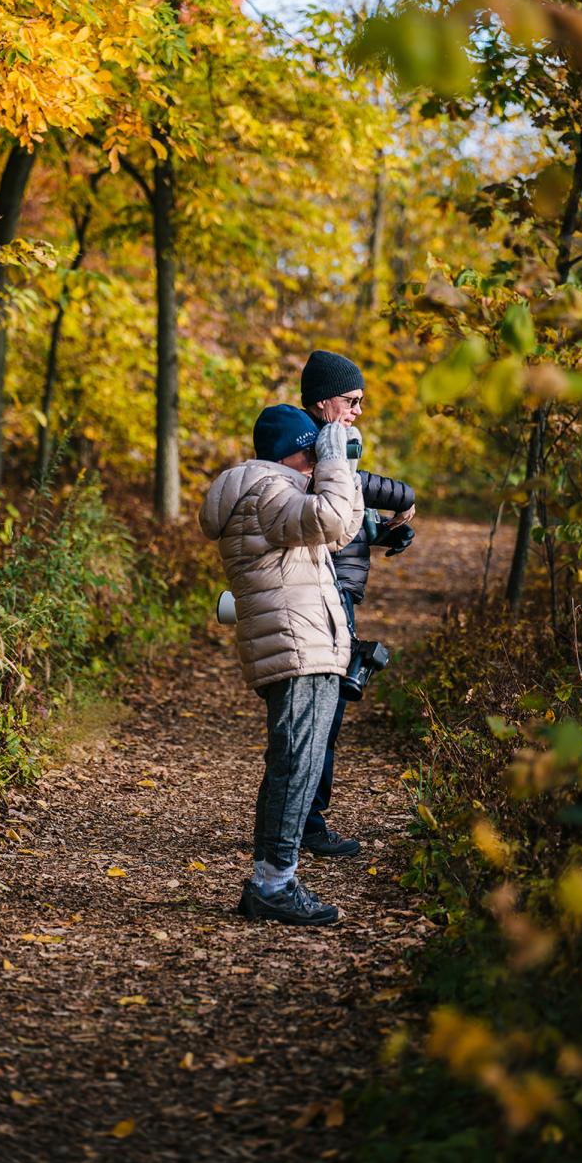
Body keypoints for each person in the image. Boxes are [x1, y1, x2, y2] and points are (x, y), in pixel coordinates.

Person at [199, 404, 364, 926]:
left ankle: (270, 879)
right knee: (296, 763)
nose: (320, 460)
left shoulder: (275, 491)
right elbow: (330, 517)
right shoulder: (268, 489)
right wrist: (335, 467)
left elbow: (339, 533)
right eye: (314, 450)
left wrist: (347, 468)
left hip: (301, 640)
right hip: (296, 643)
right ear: (296, 449)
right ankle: (274, 882)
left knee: (294, 762)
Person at [299, 349, 416, 858]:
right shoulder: (303, 442)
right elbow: (333, 487)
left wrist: (388, 530)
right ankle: (305, 825)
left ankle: (304, 820)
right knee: (320, 714)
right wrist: (402, 492)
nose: (358, 411)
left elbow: (345, 509)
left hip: (337, 592)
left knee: (326, 712)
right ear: (325, 400)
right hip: (319, 596)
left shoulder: (331, 444)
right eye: (352, 400)